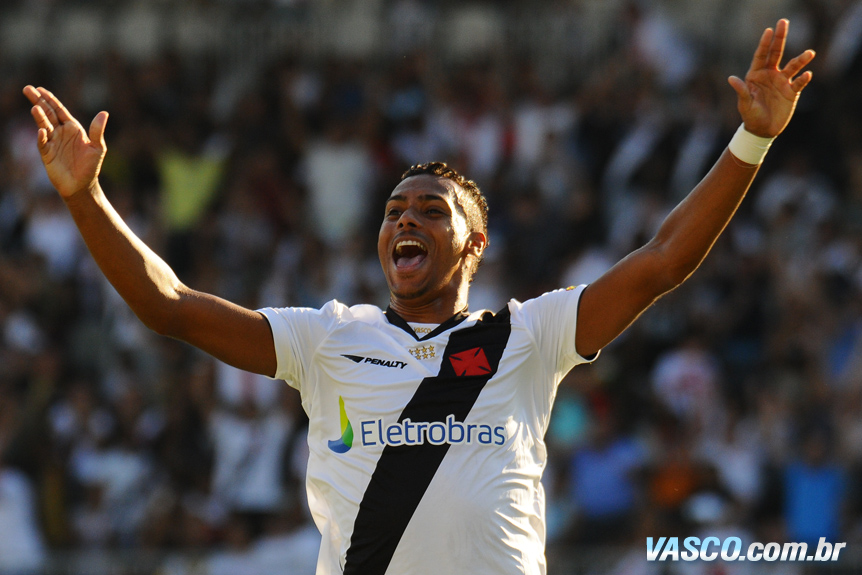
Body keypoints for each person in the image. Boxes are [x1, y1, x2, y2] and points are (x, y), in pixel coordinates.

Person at [23, 19, 813, 575]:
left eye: (432, 210)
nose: (405, 219)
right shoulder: (325, 337)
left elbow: (662, 262)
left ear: (475, 243)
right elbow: (167, 304)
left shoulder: (529, 335)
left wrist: (752, 139)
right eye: (394, 209)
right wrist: (86, 198)